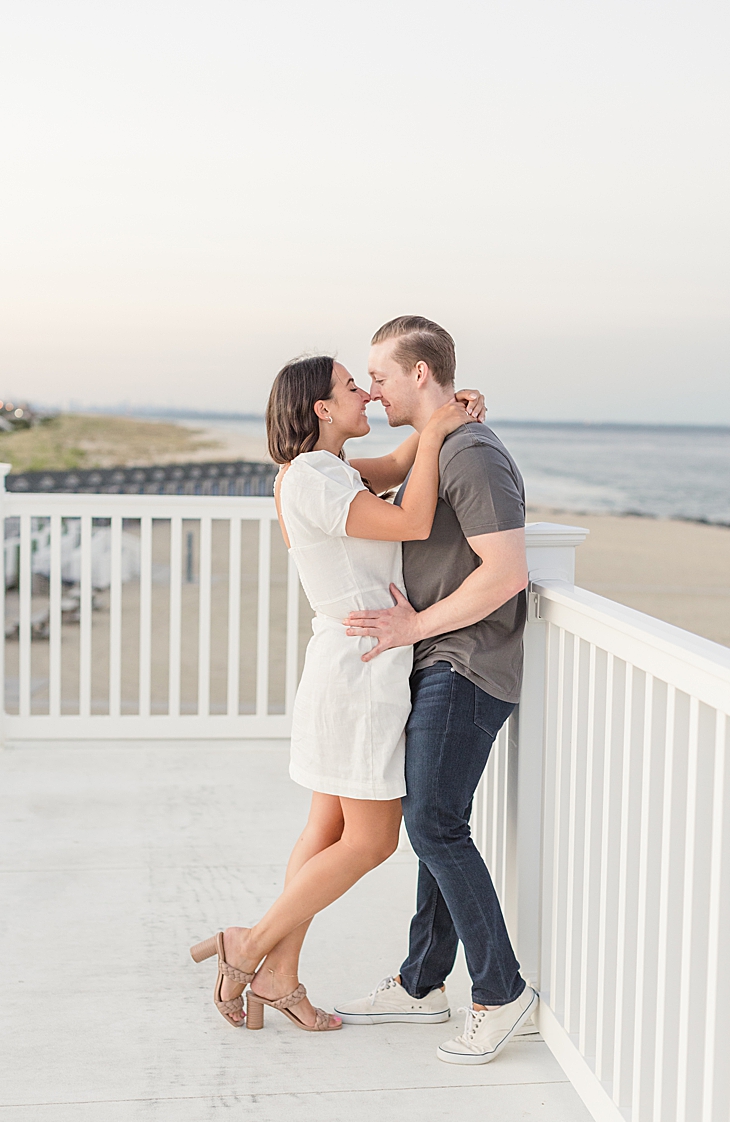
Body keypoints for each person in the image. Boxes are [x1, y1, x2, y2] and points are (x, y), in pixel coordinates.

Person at [190, 354, 480, 1033]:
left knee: (325, 830)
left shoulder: (321, 472)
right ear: (321, 408)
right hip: (360, 673)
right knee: (373, 840)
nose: (367, 396)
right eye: (353, 387)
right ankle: (251, 945)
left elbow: (400, 461)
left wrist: (441, 416)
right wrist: (438, 436)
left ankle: (280, 973)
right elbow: (411, 520)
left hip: (346, 667)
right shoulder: (318, 478)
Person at [332, 316, 537, 1065]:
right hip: (440, 659)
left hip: (469, 663)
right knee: (435, 823)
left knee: (433, 824)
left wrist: (413, 626)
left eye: (379, 375)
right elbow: (369, 474)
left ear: (421, 374)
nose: (372, 387)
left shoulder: (472, 454)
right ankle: (422, 985)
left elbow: (505, 573)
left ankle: (501, 991)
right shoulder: (439, 442)